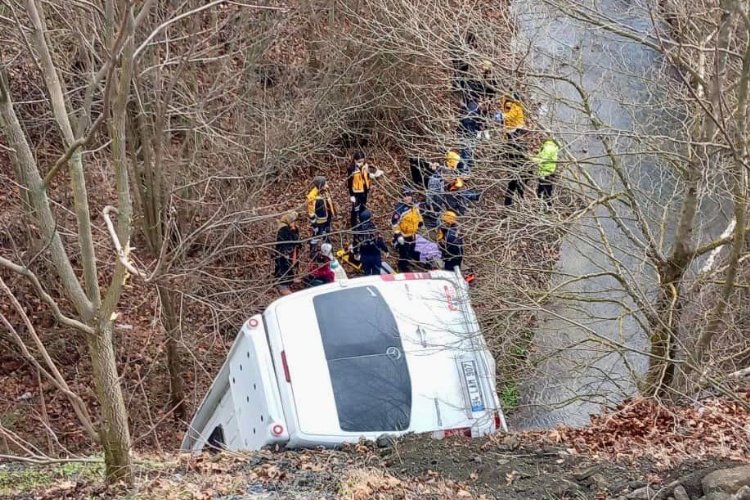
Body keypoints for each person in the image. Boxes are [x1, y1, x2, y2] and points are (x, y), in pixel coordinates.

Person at [346, 151, 382, 228]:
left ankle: (363, 220)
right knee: (355, 208)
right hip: (356, 192)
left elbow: (367, 173)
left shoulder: (365, 166)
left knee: (363, 206)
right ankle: (354, 223)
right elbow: (350, 183)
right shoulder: (351, 169)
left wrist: (372, 175)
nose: (361, 163)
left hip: (364, 190)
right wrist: (351, 195)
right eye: (359, 161)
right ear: (355, 160)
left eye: (362, 161)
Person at [391, 188, 423, 272]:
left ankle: (411, 260)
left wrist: (420, 222)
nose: (407, 198)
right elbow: (394, 223)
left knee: (412, 249)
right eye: (405, 196)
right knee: (404, 253)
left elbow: (418, 214)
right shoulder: (399, 209)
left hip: (412, 234)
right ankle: (403, 266)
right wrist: (398, 235)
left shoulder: (414, 205)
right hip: (403, 235)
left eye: (409, 195)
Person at [352, 209, 389, 275]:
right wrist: (386, 250)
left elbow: (356, 242)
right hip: (375, 255)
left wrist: (356, 252)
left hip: (364, 256)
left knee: (366, 273)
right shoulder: (373, 228)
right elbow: (380, 241)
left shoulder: (358, 230)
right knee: (376, 274)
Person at [273, 211, 301, 295]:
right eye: (293, 221)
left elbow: (296, 239)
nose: (294, 223)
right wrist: (286, 252)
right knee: (284, 267)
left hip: (289, 251)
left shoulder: (289, 227)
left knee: (290, 266)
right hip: (284, 252)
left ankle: (290, 279)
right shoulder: (283, 229)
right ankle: (282, 285)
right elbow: (287, 241)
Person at [306, 176, 335, 254]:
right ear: (320, 185)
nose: (327, 185)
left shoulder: (324, 190)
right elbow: (311, 212)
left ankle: (328, 248)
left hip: (327, 217)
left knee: (327, 232)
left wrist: (332, 213)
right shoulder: (312, 197)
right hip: (319, 221)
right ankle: (313, 251)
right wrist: (314, 225)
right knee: (317, 235)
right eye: (325, 183)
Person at [503, 137, 531, 207]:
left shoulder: (511, 145)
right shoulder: (523, 147)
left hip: (513, 169)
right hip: (521, 170)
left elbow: (506, 157)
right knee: (520, 189)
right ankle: (520, 204)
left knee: (511, 187)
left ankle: (508, 203)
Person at [534, 138, 560, 206]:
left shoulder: (547, 148)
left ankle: (541, 207)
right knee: (548, 190)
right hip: (550, 172)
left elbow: (540, 159)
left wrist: (530, 158)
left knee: (541, 190)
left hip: (544, 173)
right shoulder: (553, 147)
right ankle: (548, 205)